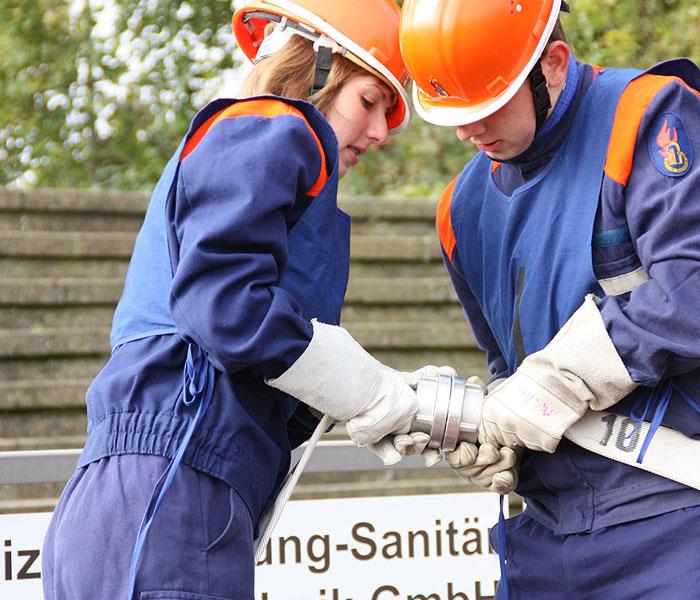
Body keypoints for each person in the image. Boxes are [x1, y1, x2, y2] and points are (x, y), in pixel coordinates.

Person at [41, 1, 444, 598]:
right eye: (368, 100)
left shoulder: (262, 167)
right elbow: (224, 305)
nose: (383, 132)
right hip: (172, 488)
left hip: (159, 495)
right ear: (316, 68)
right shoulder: (273, 124)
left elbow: (261, 357)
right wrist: (369, 389)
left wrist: (388, 399)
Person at [399, 1, 700, 598]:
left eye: (487, 104)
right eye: (453, 111)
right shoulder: (462, 209)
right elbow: (507, 361)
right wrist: (498, 431)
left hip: (683, 509)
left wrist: (566, 377)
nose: (466, 131)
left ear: (553, 64)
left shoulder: (649, 115)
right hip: (548, 526)